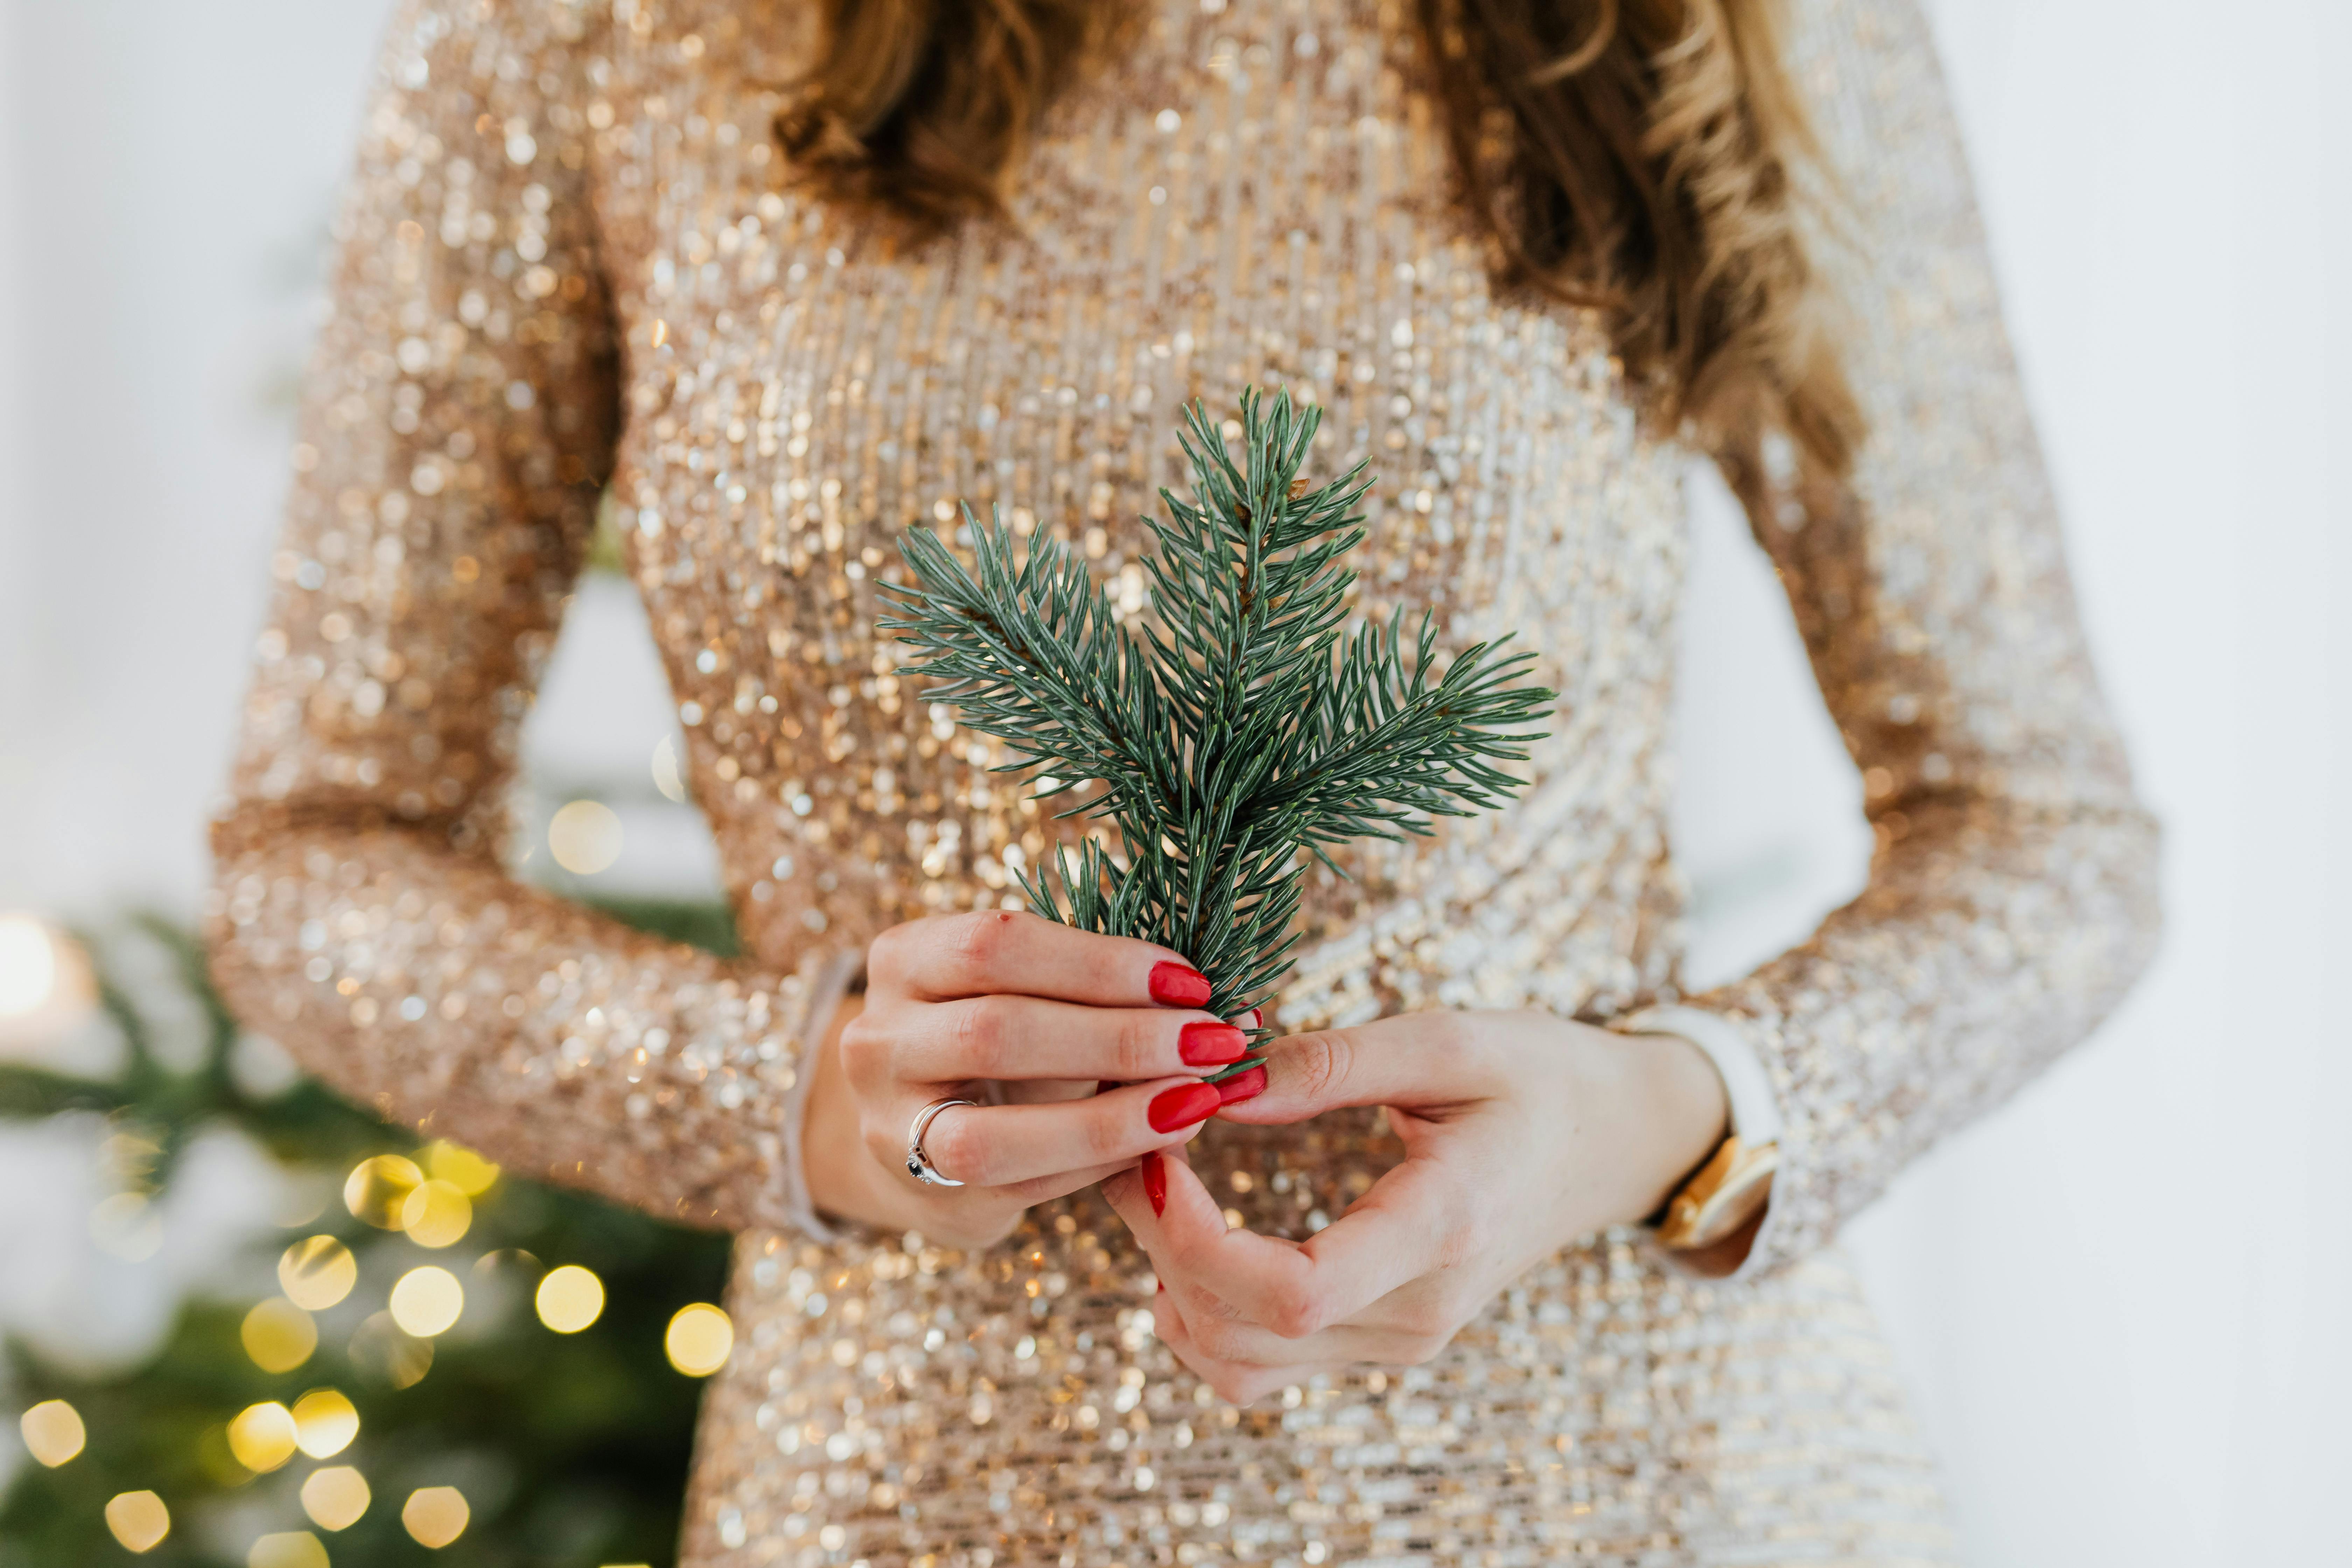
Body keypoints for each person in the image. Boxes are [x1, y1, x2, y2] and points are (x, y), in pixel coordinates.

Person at [205, 0, 2161, 1559]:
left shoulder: (1715, 22)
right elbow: (317, 860)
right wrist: (783, 1092)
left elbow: (2047, 834)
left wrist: (1668, 1110)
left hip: (1638, 1478)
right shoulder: (599, 30)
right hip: (915, 1500)